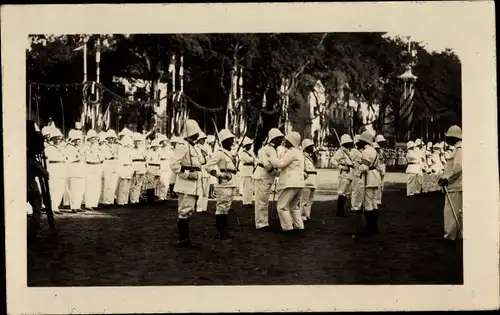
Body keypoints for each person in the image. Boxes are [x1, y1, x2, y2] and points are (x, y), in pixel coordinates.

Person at [171, 120, 203, 248]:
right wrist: (188, 175)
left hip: (192, 183)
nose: (198, 135)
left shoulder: (192, 146)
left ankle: (185, 239)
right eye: (196, 133)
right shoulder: (183, 146)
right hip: (186, 183)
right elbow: (174, 165)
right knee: (184, 211)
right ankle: (183, 240)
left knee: (188, 210)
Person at [267, 131, 305, 232]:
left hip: (290, 183)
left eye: (287, 140)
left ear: (291, 141)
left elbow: (280, 163)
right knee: (293, 206)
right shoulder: (299, 153)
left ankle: (288, 227)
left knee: (282, 206)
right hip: (299, 183)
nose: (285, 142)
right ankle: (299, 225)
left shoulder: (292, 151)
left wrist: (271, 156)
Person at [206, 129, 239, 240]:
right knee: (221, 207)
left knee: (226, 208)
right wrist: (219, 175)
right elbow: (208, 166)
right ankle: (221, 232)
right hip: (223, 184)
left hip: (232, 182)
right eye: (230, 140)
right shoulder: (219, 153)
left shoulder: (229, 153)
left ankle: (225, 231)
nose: (232, 142)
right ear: (224, 141)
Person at [27, 120, 54, 241]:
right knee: (37, 207)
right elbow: (42, 172)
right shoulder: (29, 157)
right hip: (30, 186)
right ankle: (32, 234)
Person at [253, 128, 284, 231]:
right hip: (263, 176)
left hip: (264, 176)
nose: (281, 141)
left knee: (263, 201)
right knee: (261, 201)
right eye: (279, 138)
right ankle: (261, 224)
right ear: (274, 139)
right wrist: (279, 171)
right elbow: (270, 165)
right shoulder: (269, 149)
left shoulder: (268, 148)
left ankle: (263, 222)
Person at [438, 125, 463, 242]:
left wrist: (448, 179)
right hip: (456, 184)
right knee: (458, 211)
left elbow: (458, 167)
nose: (447, 140)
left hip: (455, 185)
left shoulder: (460, 149)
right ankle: (457, 234)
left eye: (449, 137)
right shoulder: (458, 149)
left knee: (450, 212)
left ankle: (449, 235)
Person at [355, 131, 381, 235]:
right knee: (374, 202)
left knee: (368, 202)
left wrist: (358, 167)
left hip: (369, 176)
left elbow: (365, 167)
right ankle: (374, 227)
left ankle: (369, 227)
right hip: (375, 176)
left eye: (361, 141)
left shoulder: (366, 152)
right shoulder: (374, 150)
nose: (359, 143)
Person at [44, 128, 68, 214]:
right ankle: (50, 207)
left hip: (61, 168)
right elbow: (46, 160)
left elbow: (65, 159)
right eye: (55, 138)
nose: (58, 140)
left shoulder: (63, 148)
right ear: (52, 139)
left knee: (60, 188)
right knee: (52, 188)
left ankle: (55, 206)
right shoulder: (48, 148)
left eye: (59, 138)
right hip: (53, 168)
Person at [331, 134, 354, 217]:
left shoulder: (348, 151)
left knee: (345, 193)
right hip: (344, 173)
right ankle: (340, 212)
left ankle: (341, 211)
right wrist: (341, 167)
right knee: (341, 192)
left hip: (350, 173)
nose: (350, 144)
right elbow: (332, 160)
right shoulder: (340, 151)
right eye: (348, 142)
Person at [64, 129, 86, 213]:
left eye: (80, 139)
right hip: (73, 169)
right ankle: (73, 206)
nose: (79, 141)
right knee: (74, 188)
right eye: (77, 139)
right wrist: (79, 158)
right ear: (73, 140)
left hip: (80, 169)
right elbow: (70, 159)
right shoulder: (69, 147)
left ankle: (78, 205)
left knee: (80, 189)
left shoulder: (79, 148)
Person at [83, 129, 103, 210]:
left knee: (96, 186)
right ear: (88, 139)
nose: (94, 140)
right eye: (92, 138)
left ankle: (94, 203)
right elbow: (84, 158)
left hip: (97, 166)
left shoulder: (98, 147)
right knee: (89, 186)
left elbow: (102, 157)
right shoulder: (85, 147)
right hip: (89, 166)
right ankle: (88, 204)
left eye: (95, 138)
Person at [100, 129, 119, 207]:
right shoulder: (104, 146)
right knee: (107, 184)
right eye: (110, 138)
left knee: (113, 185)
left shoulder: (115, 146)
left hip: (114, 164)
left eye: (113, 138)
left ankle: (111, 201)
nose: (112, 139)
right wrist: (115, 156)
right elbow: (108, 156)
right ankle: (105, 201)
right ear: (107, 138)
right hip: (107, 164)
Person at [300, 139, 317, 222]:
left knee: (310, 200)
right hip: (307, 179)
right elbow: (301, 168)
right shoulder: (302, 156)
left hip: (313, 179)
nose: (312, 148)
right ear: (306, 147)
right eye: (311, 147)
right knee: (304, 200)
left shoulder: (309, 157)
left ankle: (307, 215)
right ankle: (302, 217)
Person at [195, 132, 211, 213]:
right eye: (202, 139)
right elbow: (198, 161)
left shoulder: (206, 148)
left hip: (207, 170)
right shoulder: (196, 148)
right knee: (201, 190)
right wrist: (205, 159)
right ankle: (199, 207)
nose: (204, 140)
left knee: (206, 190)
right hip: (201, 170)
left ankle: (204, 207)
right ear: (199, 140)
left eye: (204, 139)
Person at [116, 136, 135, 206]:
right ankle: (120, 201)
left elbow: (132, 161)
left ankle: (125, 201)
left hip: (129, 167)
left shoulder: (131, 151)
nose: (129, 145)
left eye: (130, 144)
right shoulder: (121, 151)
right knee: (122, 185)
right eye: (128, 144)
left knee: (127, 186)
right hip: (124, 167)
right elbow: (120, 162)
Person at [130, 132, 147, 206]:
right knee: (134, 184)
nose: (138, 142)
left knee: (139, 185)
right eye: (137, 141)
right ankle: (133, 200)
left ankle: (136, 199)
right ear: (134, 142)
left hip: (141, 167)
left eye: (139, 141)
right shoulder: (131, 149)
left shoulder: (143, 149)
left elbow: (146, 158)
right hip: (134, 166)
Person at [238, 137, 256, 208]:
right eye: (249, 145)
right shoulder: (242, 152)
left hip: (250, 170)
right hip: (246, 170)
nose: (250, 146)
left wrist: (253, 159)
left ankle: (249, 201)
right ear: (246, 145)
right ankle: (245, 202)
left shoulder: (249, 153)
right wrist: (253, 159)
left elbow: (254, 160)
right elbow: (247, 160)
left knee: (250, 188)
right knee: (246, 187)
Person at [145, 139, 162, 203]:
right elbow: (147, 161)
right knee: (150, 183)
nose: (156, 147)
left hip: (157, 168)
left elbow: (160, 162)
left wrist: (159, 170)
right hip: (151, 167)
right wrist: (146, 169)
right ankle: (149, 198)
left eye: (157, 146)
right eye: (155, 146)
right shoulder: (150, 152)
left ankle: (153, 197)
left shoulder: (160, 152)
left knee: (155, 183)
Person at [157, 134, 172, 201]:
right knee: (161, 182)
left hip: (168, 165)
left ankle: (164, 196)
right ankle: (160, 196)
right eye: (162, 141)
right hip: (161, 165)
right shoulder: (159, 149)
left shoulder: (170, 149)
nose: (163, 143)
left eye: (164, 141)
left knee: (166, 183)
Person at [350, 135, 363, 213]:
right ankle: (354, 206)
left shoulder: (361, 151)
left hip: (361, 173)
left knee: (361, 190)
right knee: (355, 190)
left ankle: (359, 206)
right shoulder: (353, 151)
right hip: (355, 172)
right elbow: (352, 160)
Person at [375, 134, 387, 207]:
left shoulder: (381, 150)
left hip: (382, 168)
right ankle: (375, 201)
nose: (382, 143)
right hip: (377, 168)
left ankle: (379, 200)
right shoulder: (375, 149)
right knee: (377, 185)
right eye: (381, 141)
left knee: (381, 186)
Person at [206, 135, 218, 199]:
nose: (213, 143)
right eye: (212, 142)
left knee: (213, 181)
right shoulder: (207, 148)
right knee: (210, 181)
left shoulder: (215, 148)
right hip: (209, 165)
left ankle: (212, 193)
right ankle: (209, 194)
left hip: (214, 165)